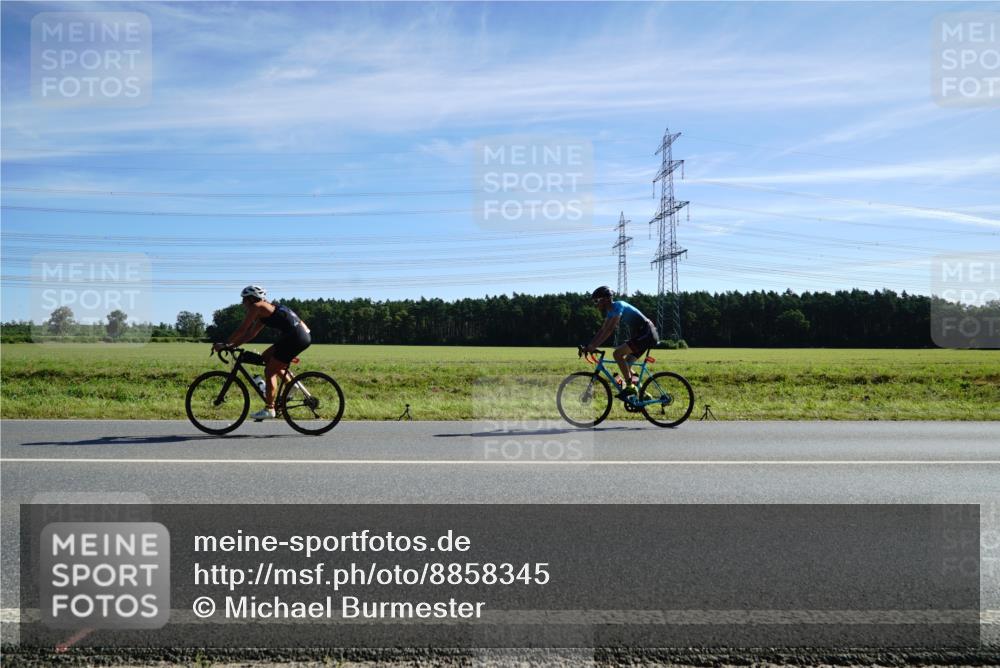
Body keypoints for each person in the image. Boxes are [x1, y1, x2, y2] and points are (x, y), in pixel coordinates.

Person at [213, 285, 311, 420]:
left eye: (244, 300)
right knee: (266, 357)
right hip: (298, 336)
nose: (242, 303)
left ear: (252, 299)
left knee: (269, 371)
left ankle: (269, 409)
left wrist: (224, 344)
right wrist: (232, 345)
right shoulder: (266, 309)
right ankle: (291, 384)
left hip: (295, 338)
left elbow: (242, 330)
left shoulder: (257, 306)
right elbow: (250, 334)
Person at [583, 286, 658, 399]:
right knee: (627, 364)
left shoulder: (618, 306)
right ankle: (643, 394)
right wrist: (590, 345)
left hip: (646, 333)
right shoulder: (610, 312)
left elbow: (609, 330)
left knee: (617, 354)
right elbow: (602, 330)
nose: (595, 304)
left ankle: (630, 386)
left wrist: (594, 346)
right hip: (642, 333)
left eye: (596, 300)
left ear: (606, 299)